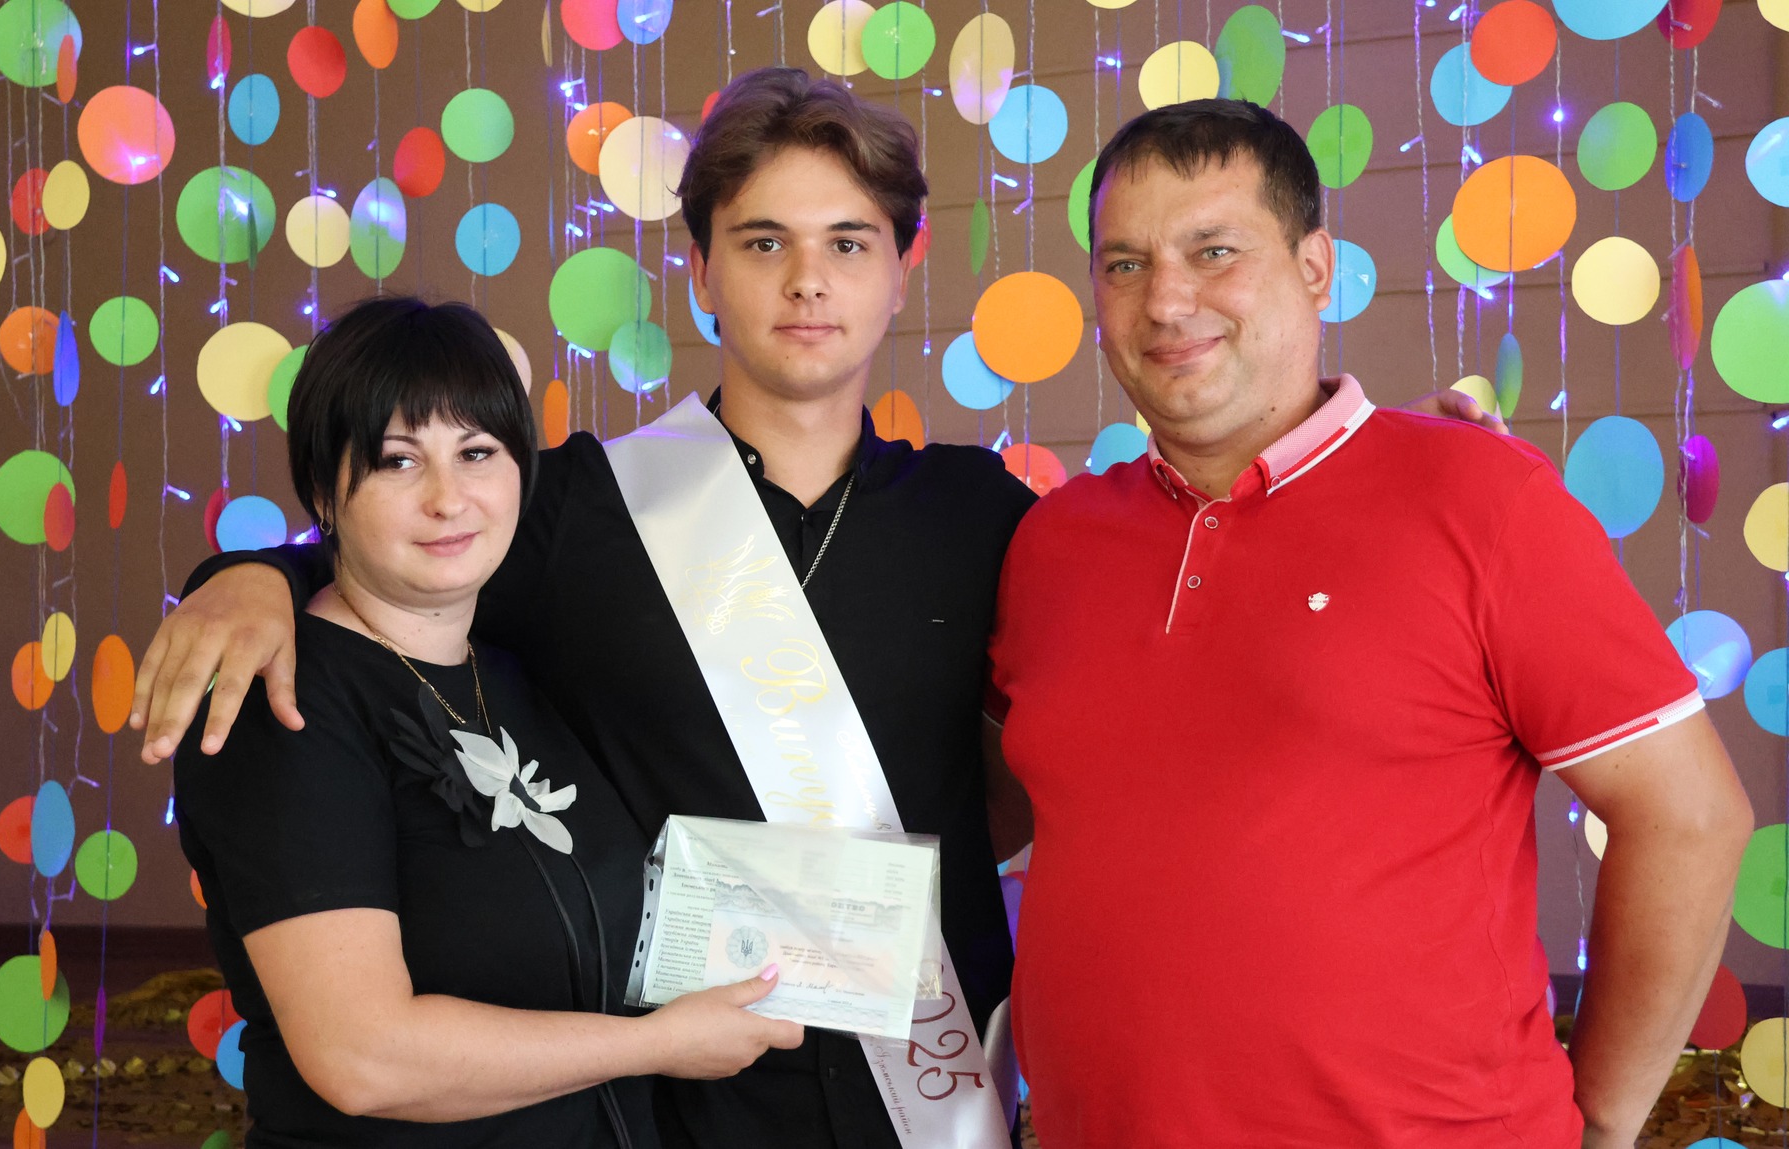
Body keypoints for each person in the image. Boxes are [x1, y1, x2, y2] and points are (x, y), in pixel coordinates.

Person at [135, 71, 1497, 1148]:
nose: (806, 281)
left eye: (848, 242)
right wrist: (248, 578)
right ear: (699, 270)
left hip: (940, 1082)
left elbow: (1194, 591)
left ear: (902, 266)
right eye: (762, 242)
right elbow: (403, 555)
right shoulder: (577, 508)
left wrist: (1376, 474)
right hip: (684, 1097)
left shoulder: (991, 516)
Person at [988, 98, 1755, 1148]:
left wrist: (1606, 1120)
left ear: (1314, 267)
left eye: (1214, 251)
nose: (1165, 300)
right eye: (1124, 264)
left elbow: (1690, 819)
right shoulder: (1054, 540)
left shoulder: (1480, 498)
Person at [172, 296, 802, 1149]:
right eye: (397, 461)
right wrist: (659, 1043)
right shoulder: (285, 698)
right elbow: (361, 1056)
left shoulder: (514, 671)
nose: (449, 498)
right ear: (323, 488)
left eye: (477, 452)